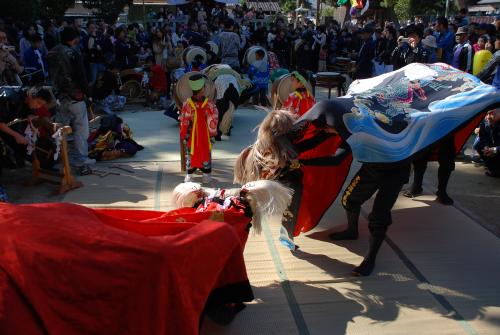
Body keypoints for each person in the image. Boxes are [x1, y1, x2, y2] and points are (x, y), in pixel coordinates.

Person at [48, 27, 95, 172]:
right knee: (81, 129)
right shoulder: (73, 53)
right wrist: (88, 93)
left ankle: (59, 158)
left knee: (60, 129)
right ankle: (81, 158)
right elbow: (80, 75)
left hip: (58, 96)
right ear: (74, 38)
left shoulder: (51, 52)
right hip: (76, 95)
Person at [179, 74, 218, 183]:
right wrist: (212, 133)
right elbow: (213, 118)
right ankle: (205, 175)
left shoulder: (187, 104)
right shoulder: (209, 104)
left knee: (191, 153)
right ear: (202, 90)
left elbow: (184, 120)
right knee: (204, 152)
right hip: (203, 133)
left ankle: (190, 176)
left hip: (192, 133)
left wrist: (183, 133)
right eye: (204, 88)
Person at [475, 109, 500, 177]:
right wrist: (486, 147)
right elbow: (483, 137)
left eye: (491, 113)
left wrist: (496, 149)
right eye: (486, 114)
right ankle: (494, 170)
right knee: (478, 145)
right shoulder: (485, 123)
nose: (488, 117)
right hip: (494, 147)